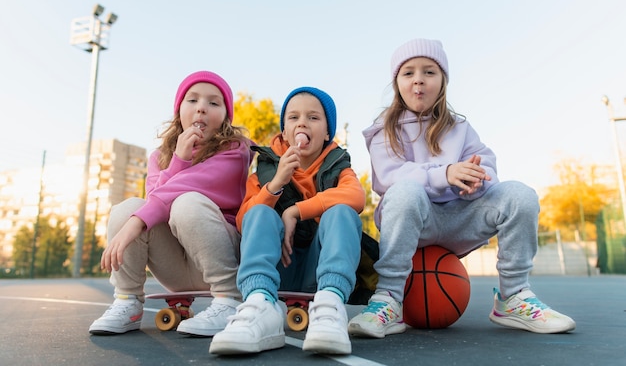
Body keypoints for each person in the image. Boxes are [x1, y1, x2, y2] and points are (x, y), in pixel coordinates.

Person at [348, 38, 576, 338]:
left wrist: (476, 181)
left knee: (521, 195)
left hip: (460, 218)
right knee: (404, 192)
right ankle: (389, 298)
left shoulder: (460, 128)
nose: (418, 79)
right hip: (417, 223)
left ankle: (514, 295)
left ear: (442, 82)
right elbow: (390, 177)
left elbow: (488, 165)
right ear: (397, 83)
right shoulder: (383, 130)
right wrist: (446, 173)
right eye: (408, 73)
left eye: (429, 72)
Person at [89, 70, 254, 337]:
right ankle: (127, 302)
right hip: (175, 266)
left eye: (213, 103)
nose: (202, 107)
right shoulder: (160, 157)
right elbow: (156, 200)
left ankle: (228, 301)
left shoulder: (236, 150)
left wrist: (136, 223)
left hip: (221, 258)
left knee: (185, 203)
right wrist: (178, 159)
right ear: (179, 110)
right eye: (193, 100)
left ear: (225, 115)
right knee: (127, 208)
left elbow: (185, 188)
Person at [209, 87, 366, 355]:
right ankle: (260, 305)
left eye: (313, 118)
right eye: (293, 117)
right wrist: (276, 185)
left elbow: (356, 196)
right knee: (259, 212)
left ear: (328, 133)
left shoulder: (339, 165)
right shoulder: (266, 168)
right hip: (277, 269)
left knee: (342, 211)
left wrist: (295, 211)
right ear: (284, 131)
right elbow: (244, 220)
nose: (302, 122)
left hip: (318, 270)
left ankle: (330, 305)